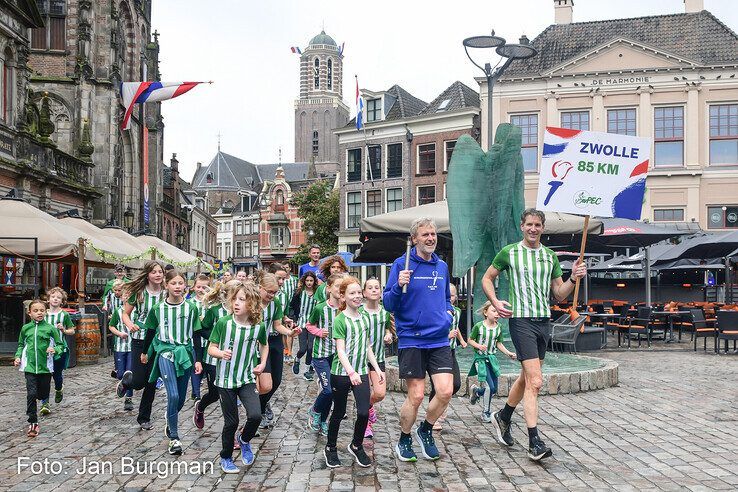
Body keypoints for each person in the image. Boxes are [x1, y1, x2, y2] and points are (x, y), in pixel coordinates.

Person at [481, 208, 587, 461]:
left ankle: (503, 416)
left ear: (542, 227)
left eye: (537, 225)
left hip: (543, 322)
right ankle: (534, 441)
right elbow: (487, 278)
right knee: (536, 382)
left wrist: (573, 277)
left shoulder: (550, 257)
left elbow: (559, 294)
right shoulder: (509, 252)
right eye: (529, 224)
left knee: (526, 378)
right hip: (521, 321)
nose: (533, 228)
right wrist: (495, 302)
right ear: (522, 226)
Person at [383, 217, 454, 462]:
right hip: (411, 339)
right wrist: (397, 285)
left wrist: (449, 315)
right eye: (425, 235)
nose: (431, 238)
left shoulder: (441, 266)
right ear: (414, 239)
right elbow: (388, 304)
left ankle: (425, 429)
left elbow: (446, 297)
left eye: (433, 234)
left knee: (445, 391)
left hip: (439, 338)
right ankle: (404, 438)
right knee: (416, 396)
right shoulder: (401, 264)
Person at [324, 276, 384, 468]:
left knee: (363, 412)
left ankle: (356, 445)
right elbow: (340, 350)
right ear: (343, 296)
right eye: (352, 293)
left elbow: (367, 347)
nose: (357, 296)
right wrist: (351, 372)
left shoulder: (364, 318)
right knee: (339, 412)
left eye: (359, 292)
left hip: (361, 371)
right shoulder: (340, 319)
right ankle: (330, 448)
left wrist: (375, 367)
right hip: (341, 373)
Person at [209, 281, 268, 473]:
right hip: (225, 381)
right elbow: (211, 348)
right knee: (231, 422)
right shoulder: (223, 323)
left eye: (242, 300)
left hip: (246, 378)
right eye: (234, 299)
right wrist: (221, 354)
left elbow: (264, 345)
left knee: (256, 415)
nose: (236, 303)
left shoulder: (258, 327)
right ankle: (226, 457)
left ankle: (244, 440)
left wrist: (262, 363)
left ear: (252, 304)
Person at [142, 269, 203, 455]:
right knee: (173, 395)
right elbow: (150, 331)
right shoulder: (157, 309)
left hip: (185, 354)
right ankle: (174, 438)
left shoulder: (191, 308)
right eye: (174, 283)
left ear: (185, 285)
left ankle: (170, 420)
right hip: (165, 353)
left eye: (181, 283)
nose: (177, 286)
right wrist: (145, 352)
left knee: (182, 398)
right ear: (166, 285)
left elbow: (196, 334)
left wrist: (198, 359)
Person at [117, 260, 165, 430]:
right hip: (140, 338)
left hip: (159, 341)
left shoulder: (166, 293)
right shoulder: (139, 293)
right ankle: (127, 380)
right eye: (154, 272)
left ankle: (144, 417)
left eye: (160, 271)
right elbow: (125, 314)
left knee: (151, 382)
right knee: (139, 382)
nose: (158, 274)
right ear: (148, 274)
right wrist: (129, 325)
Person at [255, 270, 300, 428]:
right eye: (269, 292)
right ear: (260, 288)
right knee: (265, 384)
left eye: (275, 293)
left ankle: (262, 405)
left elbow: (277, 325)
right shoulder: (251, 301)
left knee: (277, 380)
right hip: (257, 345)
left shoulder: (275, 303)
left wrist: (290, 332)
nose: (272, 295)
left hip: (273, 342)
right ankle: (256, 411)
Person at [14, 299, 63, 437]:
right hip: (29, 368)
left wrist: (54, 349)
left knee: (42, 394)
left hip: (45, 368)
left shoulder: (50, 329)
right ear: (29, 313)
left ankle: (44, 401)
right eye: (36, 311)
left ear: (46, 312)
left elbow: (61, 345)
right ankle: (33, 423)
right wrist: (18, 357)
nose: (39, 313)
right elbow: (20, 345)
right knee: (31, 394)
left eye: (42, 310)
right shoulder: (25, 329)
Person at [305, 274, 342, 435]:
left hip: (337, 356)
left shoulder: (344, 308)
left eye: (343, 287)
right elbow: (309, 325)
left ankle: (323, 421)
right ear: (328, 288)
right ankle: (314, 410)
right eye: (337, 286)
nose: (340, 290)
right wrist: (319, 332)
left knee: (333, 391)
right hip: (321, 355)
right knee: (327, 390)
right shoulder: (320, 308)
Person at [193, 280, 232, 431]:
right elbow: (201, 330)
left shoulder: (244, 310)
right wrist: (217, 337)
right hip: (212, 359)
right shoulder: (215, 310)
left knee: (230, 394)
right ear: (228, 294)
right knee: (215, 394)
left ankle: (230, 428)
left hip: (233, 359)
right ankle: (200, 407)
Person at [468, 302, 516, 422]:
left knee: (494, 389)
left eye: (498, 312)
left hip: (492, 359)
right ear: (485, 312)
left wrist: (508, 353)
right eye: (494, 311)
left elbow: (498, 343)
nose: (497, 314)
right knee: (489, 387)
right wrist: (478, 346)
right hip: (480, 360)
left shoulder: (498, 327)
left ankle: (476, 392)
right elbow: (470, 340)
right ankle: (485, 413)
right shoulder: (479, 326)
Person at [359, 277, 393, 439]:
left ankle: (369, 407)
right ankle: (365, 425)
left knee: (379, 393)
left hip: (378, 358)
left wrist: (388, 335)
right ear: (364, 293)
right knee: (364, 394)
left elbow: (389, 330)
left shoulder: (384, 313)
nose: (373, 290)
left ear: (381, 292)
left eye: (376, 288)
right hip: (360, 360)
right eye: (370, 288)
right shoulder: (359, 312)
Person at [430, 283, 466, 431]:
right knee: (437, 386)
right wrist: (446, 335)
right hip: (437, 350)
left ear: (456, 297)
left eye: (452, 295)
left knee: (456, 384)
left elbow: (455, 329)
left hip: (450, 351)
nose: (449, 298)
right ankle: (433, 418)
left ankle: (439, 405)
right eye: (447, 295)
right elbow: (432, 330)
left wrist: (462, 341)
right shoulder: (436, 310)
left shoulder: (457, 311)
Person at [39, 287, 75, 413]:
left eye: (58, 297)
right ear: (48, 299)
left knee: (57, 375)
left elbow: (72, 330)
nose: (55, 299)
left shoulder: (64, 315)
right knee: (45, 377)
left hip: (59, 350)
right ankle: (45, 404)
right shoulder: (42, 313)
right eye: (53, 297)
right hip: (44, 350)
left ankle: (59, 389)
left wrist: (64, 330)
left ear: (62, 301)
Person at [108, 280, 134, 411]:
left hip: (133, 347)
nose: (127, 297)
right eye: (125, 295)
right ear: (122, 296)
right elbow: (111, 326)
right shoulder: (118, 312)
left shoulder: (137, 311)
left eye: (130, 294)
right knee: (121, 375)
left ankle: (128, 399)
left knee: (129, 374)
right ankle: (121, 383)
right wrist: (119, 333)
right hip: (120, 347)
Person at [291, 271, 318, 380]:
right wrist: (294, 319)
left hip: (313, 323)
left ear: (314, 281)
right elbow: (292, 306)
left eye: (311, 280)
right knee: (303, 348)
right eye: (307, 280)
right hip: (301, 322)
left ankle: (307, 370)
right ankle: (297, 359)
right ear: (304, 281)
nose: (309, 283)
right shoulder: (299, 292)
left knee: (311, 348)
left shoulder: (317, 292)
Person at [189, 274, 211, 401]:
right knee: (195, 365)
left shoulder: (211, 303)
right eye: (198, 287)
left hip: (208, 340)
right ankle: (196, 392)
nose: (201, 290)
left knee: (206, 366)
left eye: (204, 287)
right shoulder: (190, 302)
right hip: (194, 340)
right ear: (193, 287)